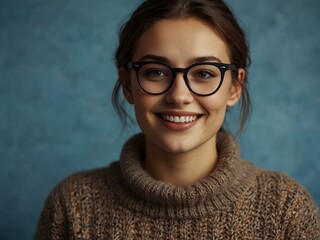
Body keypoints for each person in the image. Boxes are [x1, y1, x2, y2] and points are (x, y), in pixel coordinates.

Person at [35, 0, 320, 239]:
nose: (179, 95)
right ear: (127, 84)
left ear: (235, 87)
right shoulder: (72, 207)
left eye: (205, 73)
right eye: (156, 72)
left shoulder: (285, 209)